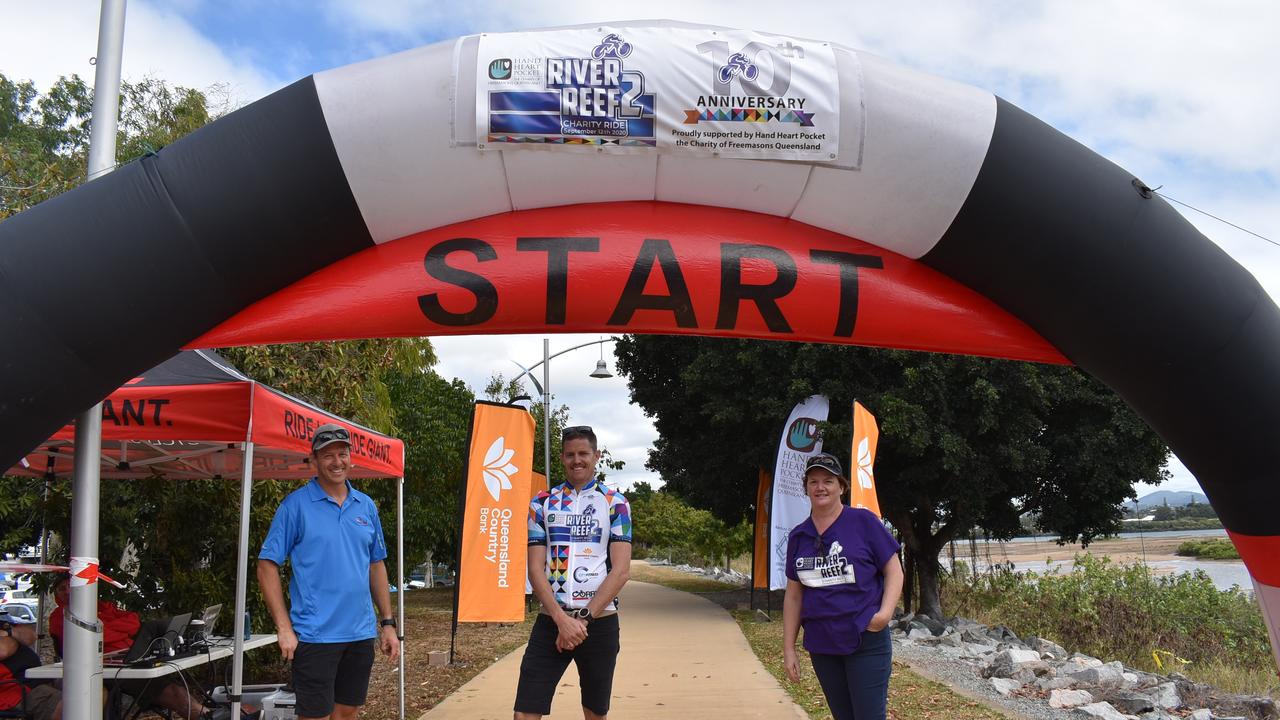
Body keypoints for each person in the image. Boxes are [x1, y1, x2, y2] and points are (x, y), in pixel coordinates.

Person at [257, 423, 400, 720]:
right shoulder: (295, 506)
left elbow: (376, 564)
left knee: (348, 712)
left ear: (351, 457)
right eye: (328, 456)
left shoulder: (366, 506)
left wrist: (387, 624)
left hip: (360, 633)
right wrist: (284, 628)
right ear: (314, 460)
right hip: (315, 636)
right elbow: (266, 565)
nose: (337, 462)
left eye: (342, 453)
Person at [514, 425, 632, 720]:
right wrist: (561, 620)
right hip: (551, 620)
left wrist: (582, 620)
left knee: (594, 713)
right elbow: (534, 568)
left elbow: (620, 571)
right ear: (562, 458)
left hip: (599, 622)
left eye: (583, 454)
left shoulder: (616, 503)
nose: (576, 460)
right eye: (570, 455)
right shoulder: (541, 503)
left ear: (596, 456)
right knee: (525, 711)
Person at [783, 453, 904, 720]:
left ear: (842, 486)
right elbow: (793, 596)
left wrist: (884, 615)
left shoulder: (864, 522)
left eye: (828, 481)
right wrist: (789, 648)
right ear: (806, 487)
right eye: (813, 481)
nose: (820, 487)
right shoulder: (799, 536)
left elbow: (894, 569)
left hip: (865, 638)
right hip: (823, 643)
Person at [47, 574, 221, 720]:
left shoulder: (102, 607)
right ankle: (210, 717)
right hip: (104, 668)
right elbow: (96, 636)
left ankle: (212, 715)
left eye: (71, 585)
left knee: (177, 687)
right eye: (62, 588)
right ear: (56, 594)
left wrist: (110, 627)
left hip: (133, 658)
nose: (68, 591)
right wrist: (117, 629)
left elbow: (134, 622)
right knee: (175, 692)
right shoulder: (60, 616)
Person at [0, 610, 60, 720]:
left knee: (89, 688)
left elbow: (31, 636)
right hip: (15, 690)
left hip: (38, 680)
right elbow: (3, 650)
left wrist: (8, 632)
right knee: (69, 703)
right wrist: (14, 637)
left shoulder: (3, 623)